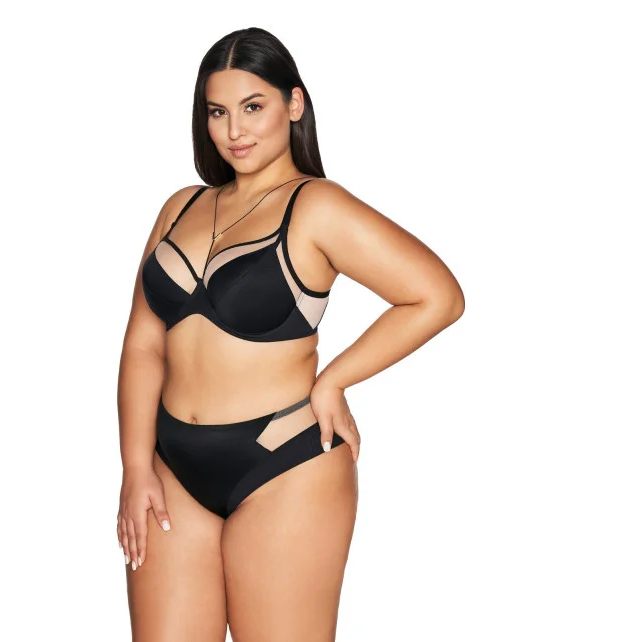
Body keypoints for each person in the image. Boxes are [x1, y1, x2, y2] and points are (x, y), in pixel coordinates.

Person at [116, 26, 465, 642]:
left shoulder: (317, 206)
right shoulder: (180, 207)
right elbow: (144, 344)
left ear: (294, 104)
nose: (235, 130)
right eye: (218, 112)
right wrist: (135, 465)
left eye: (253, 107)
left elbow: (437, 296)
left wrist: (334, 380)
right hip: (171, 467)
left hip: (285, 464)